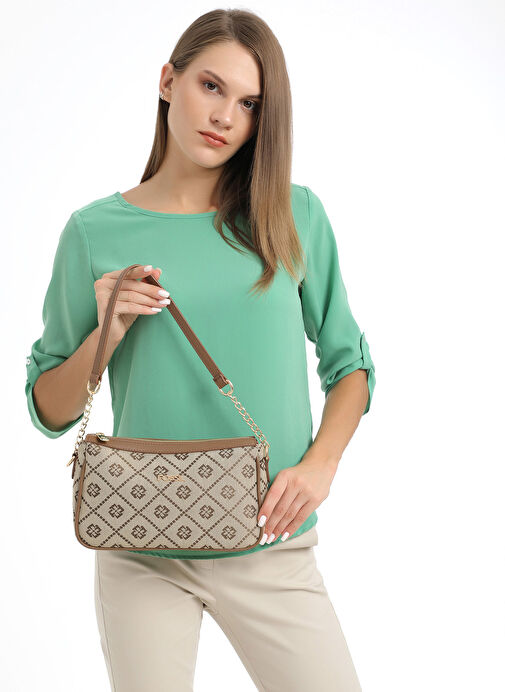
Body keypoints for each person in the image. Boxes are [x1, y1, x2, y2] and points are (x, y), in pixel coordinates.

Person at [25, 8, 376, 692]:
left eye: (249, 104)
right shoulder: (94, 232)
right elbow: (49, 409)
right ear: (168, 81)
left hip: (270, 539)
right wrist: (108, 331)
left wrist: (320, 466)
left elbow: (350, 364)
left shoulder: (293, 214)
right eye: (211, 86)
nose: (224, 117)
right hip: (140, 547)